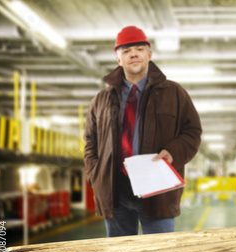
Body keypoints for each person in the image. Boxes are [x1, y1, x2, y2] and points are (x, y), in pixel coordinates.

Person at [84, 26, 202, 237]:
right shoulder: (102, 99)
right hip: (115, 192)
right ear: (118, 58)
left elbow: (192, 131)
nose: (133, 54)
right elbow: (90, 141)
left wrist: (173, 152)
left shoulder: (174, 93)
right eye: (126, 51)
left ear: (149, 54)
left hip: (157, 191)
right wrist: (95, 174)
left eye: (139, 49)